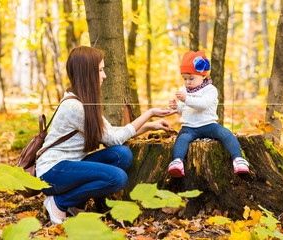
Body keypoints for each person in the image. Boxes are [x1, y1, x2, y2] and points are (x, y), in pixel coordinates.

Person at [36, 46, 177, 224]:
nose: (104, 75)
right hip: (52, 172)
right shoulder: (75, 107)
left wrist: (149, 126)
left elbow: (111, 134)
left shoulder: (83, 101)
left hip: (70, 166)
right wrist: (149, 113)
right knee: (117, 178)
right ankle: (60, 202)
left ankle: (75, 203)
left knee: (122, 154)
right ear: (87, 73)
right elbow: (114, 138)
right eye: (100, 70)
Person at [167, 51, 249, 178]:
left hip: (209, 125)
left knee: (225, 134)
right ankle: (177, 162)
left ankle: (238, 159)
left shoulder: (210, 90)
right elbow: (185, 109)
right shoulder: (183, 90)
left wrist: (186, 99)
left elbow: (203, 105)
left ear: (203, 75)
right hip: (189, 127)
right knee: (181, 138)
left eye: (191, 78)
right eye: (185, 79)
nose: (187, 82)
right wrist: (176, 107)